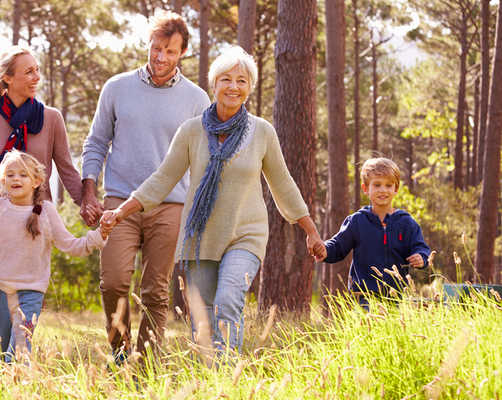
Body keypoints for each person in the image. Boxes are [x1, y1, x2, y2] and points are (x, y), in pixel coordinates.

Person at [101, 46, 324, 356]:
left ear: (250, 87)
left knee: (229, 298)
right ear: (214, 84)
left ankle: (227, 374)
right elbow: (163, 179)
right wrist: (122, 210)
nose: (234, 87)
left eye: (242, 81)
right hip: (201, 236)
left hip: (246, 234)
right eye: (226, 79)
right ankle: (211, 380)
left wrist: (310, 229)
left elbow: (283, 184)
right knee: (203, 317)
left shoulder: (262, 132)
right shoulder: (191, 131)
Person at [80, 10, 211, 359]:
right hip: (119, 202)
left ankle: (147, 363)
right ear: (148, 45)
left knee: (155, 291)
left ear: (182, 52)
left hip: (171, 205)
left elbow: (203, 159)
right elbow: (96, 142)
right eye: (156, 48)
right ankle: (120, 353)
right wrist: (88, 191)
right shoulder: (117, 87)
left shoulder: (197, 100)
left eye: (170, 51)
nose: (160, 57)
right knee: (114, 282)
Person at [0, 45, 88, 347]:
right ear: (8, 78)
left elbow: (67, 168)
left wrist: (85, 203)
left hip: (35, 219)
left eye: (37, 70)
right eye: (28, 71)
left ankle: (19, 358)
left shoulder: (52, 118)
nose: (36, 77)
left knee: (28, 295)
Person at [0, 151, 108, 361]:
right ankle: (4, 388)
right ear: (3, 180)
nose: (16, 179)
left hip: (31, 293)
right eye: (10, 175)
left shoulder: (46, 212)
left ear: (36, 181)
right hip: (1, 292)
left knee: (19, 350)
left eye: (23, 175)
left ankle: (20, 388)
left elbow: (72, 245)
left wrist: (99, 235)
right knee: (1, 350)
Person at [316, 157, 431, 306]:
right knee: (367, 329)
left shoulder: (407, 223)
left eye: (388, 185)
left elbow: (421, 247)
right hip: (364, 297)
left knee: (394, 329)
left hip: (396, 297)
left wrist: (421, 258)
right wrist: (324, 250)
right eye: (377, 185)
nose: (383, 190)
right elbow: (337, 246)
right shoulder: (357, 221)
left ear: (396, 189)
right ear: (366, 189)